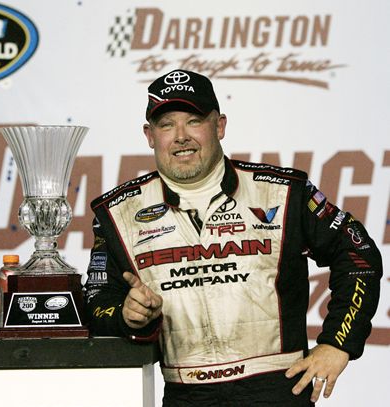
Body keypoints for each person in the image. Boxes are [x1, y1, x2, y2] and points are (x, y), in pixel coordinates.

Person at [84, 69, 382, 406]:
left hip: (277, 389)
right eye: (167, 125)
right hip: (186, 393)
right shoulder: (117, 212)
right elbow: (97, 300)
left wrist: (339, 343)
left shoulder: (282, 192)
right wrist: (127, 315)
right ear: (150, 135)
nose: (181, 136)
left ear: (219, 126)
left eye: (194, 121)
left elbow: (358, 254)